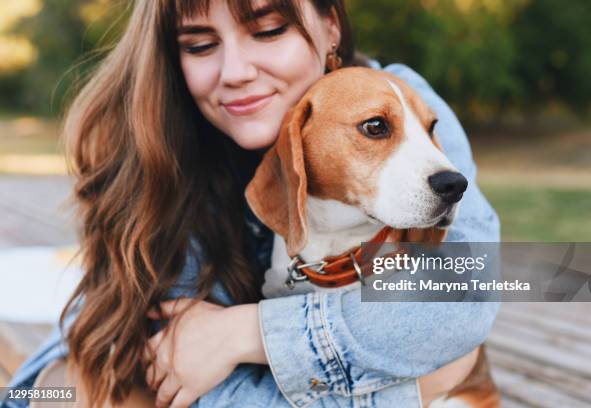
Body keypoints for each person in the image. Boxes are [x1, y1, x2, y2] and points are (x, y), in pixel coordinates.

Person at [2, 0, 500, 407]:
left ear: (330, 28)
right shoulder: (167, 158)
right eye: (199, 45)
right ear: (172, 60)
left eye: (268, 31)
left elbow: (470, 293)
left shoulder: (404, 97)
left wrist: (245, 333)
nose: (236, 72)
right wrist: (405, 390)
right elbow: (170, 378)